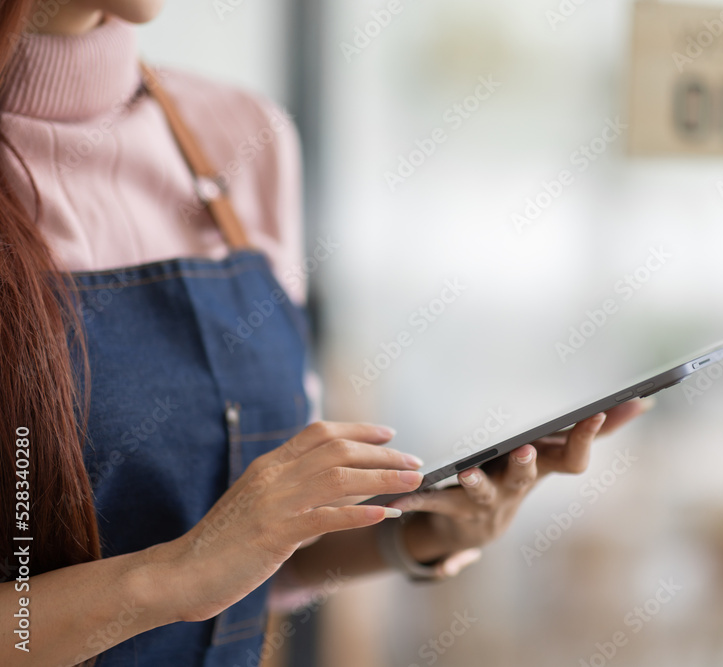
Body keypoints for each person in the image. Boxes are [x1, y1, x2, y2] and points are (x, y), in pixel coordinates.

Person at [0, 2, 650, 665]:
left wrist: (417, 533)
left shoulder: (244, 137)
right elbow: (208, 564)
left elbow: (254, 561)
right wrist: (177, 576)